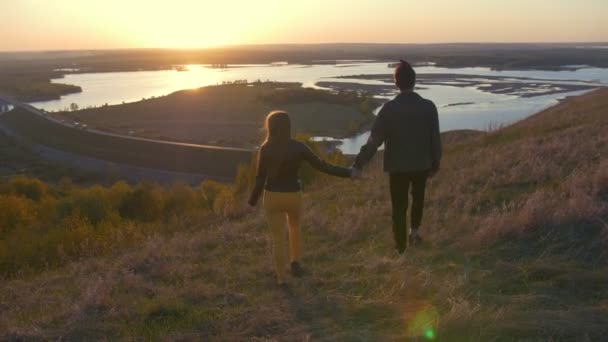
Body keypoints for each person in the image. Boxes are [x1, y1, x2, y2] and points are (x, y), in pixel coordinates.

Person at [248, 111, 355, 285]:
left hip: (272, 197)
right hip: (293, 196)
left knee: (278, 239)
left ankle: (281, 279)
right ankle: (295, 264)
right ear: (288, 126)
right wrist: (349, 173)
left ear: (271, 127)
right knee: (295, 230)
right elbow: (323, 166)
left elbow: (259, 179)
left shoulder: (266, 148)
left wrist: (252, 201)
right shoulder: (299, 147)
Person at [352, 60, 442, 254]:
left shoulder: (389, 109)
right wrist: (436, 162)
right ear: (414, 81)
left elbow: (374, 141)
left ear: (396, 83)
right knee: (418, 199)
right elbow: (435, 138)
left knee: (399, 207)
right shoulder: (428, 107)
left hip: (397, 167)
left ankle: (400, 247)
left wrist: (359, 164)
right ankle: (414, 233)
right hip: (422, 164)